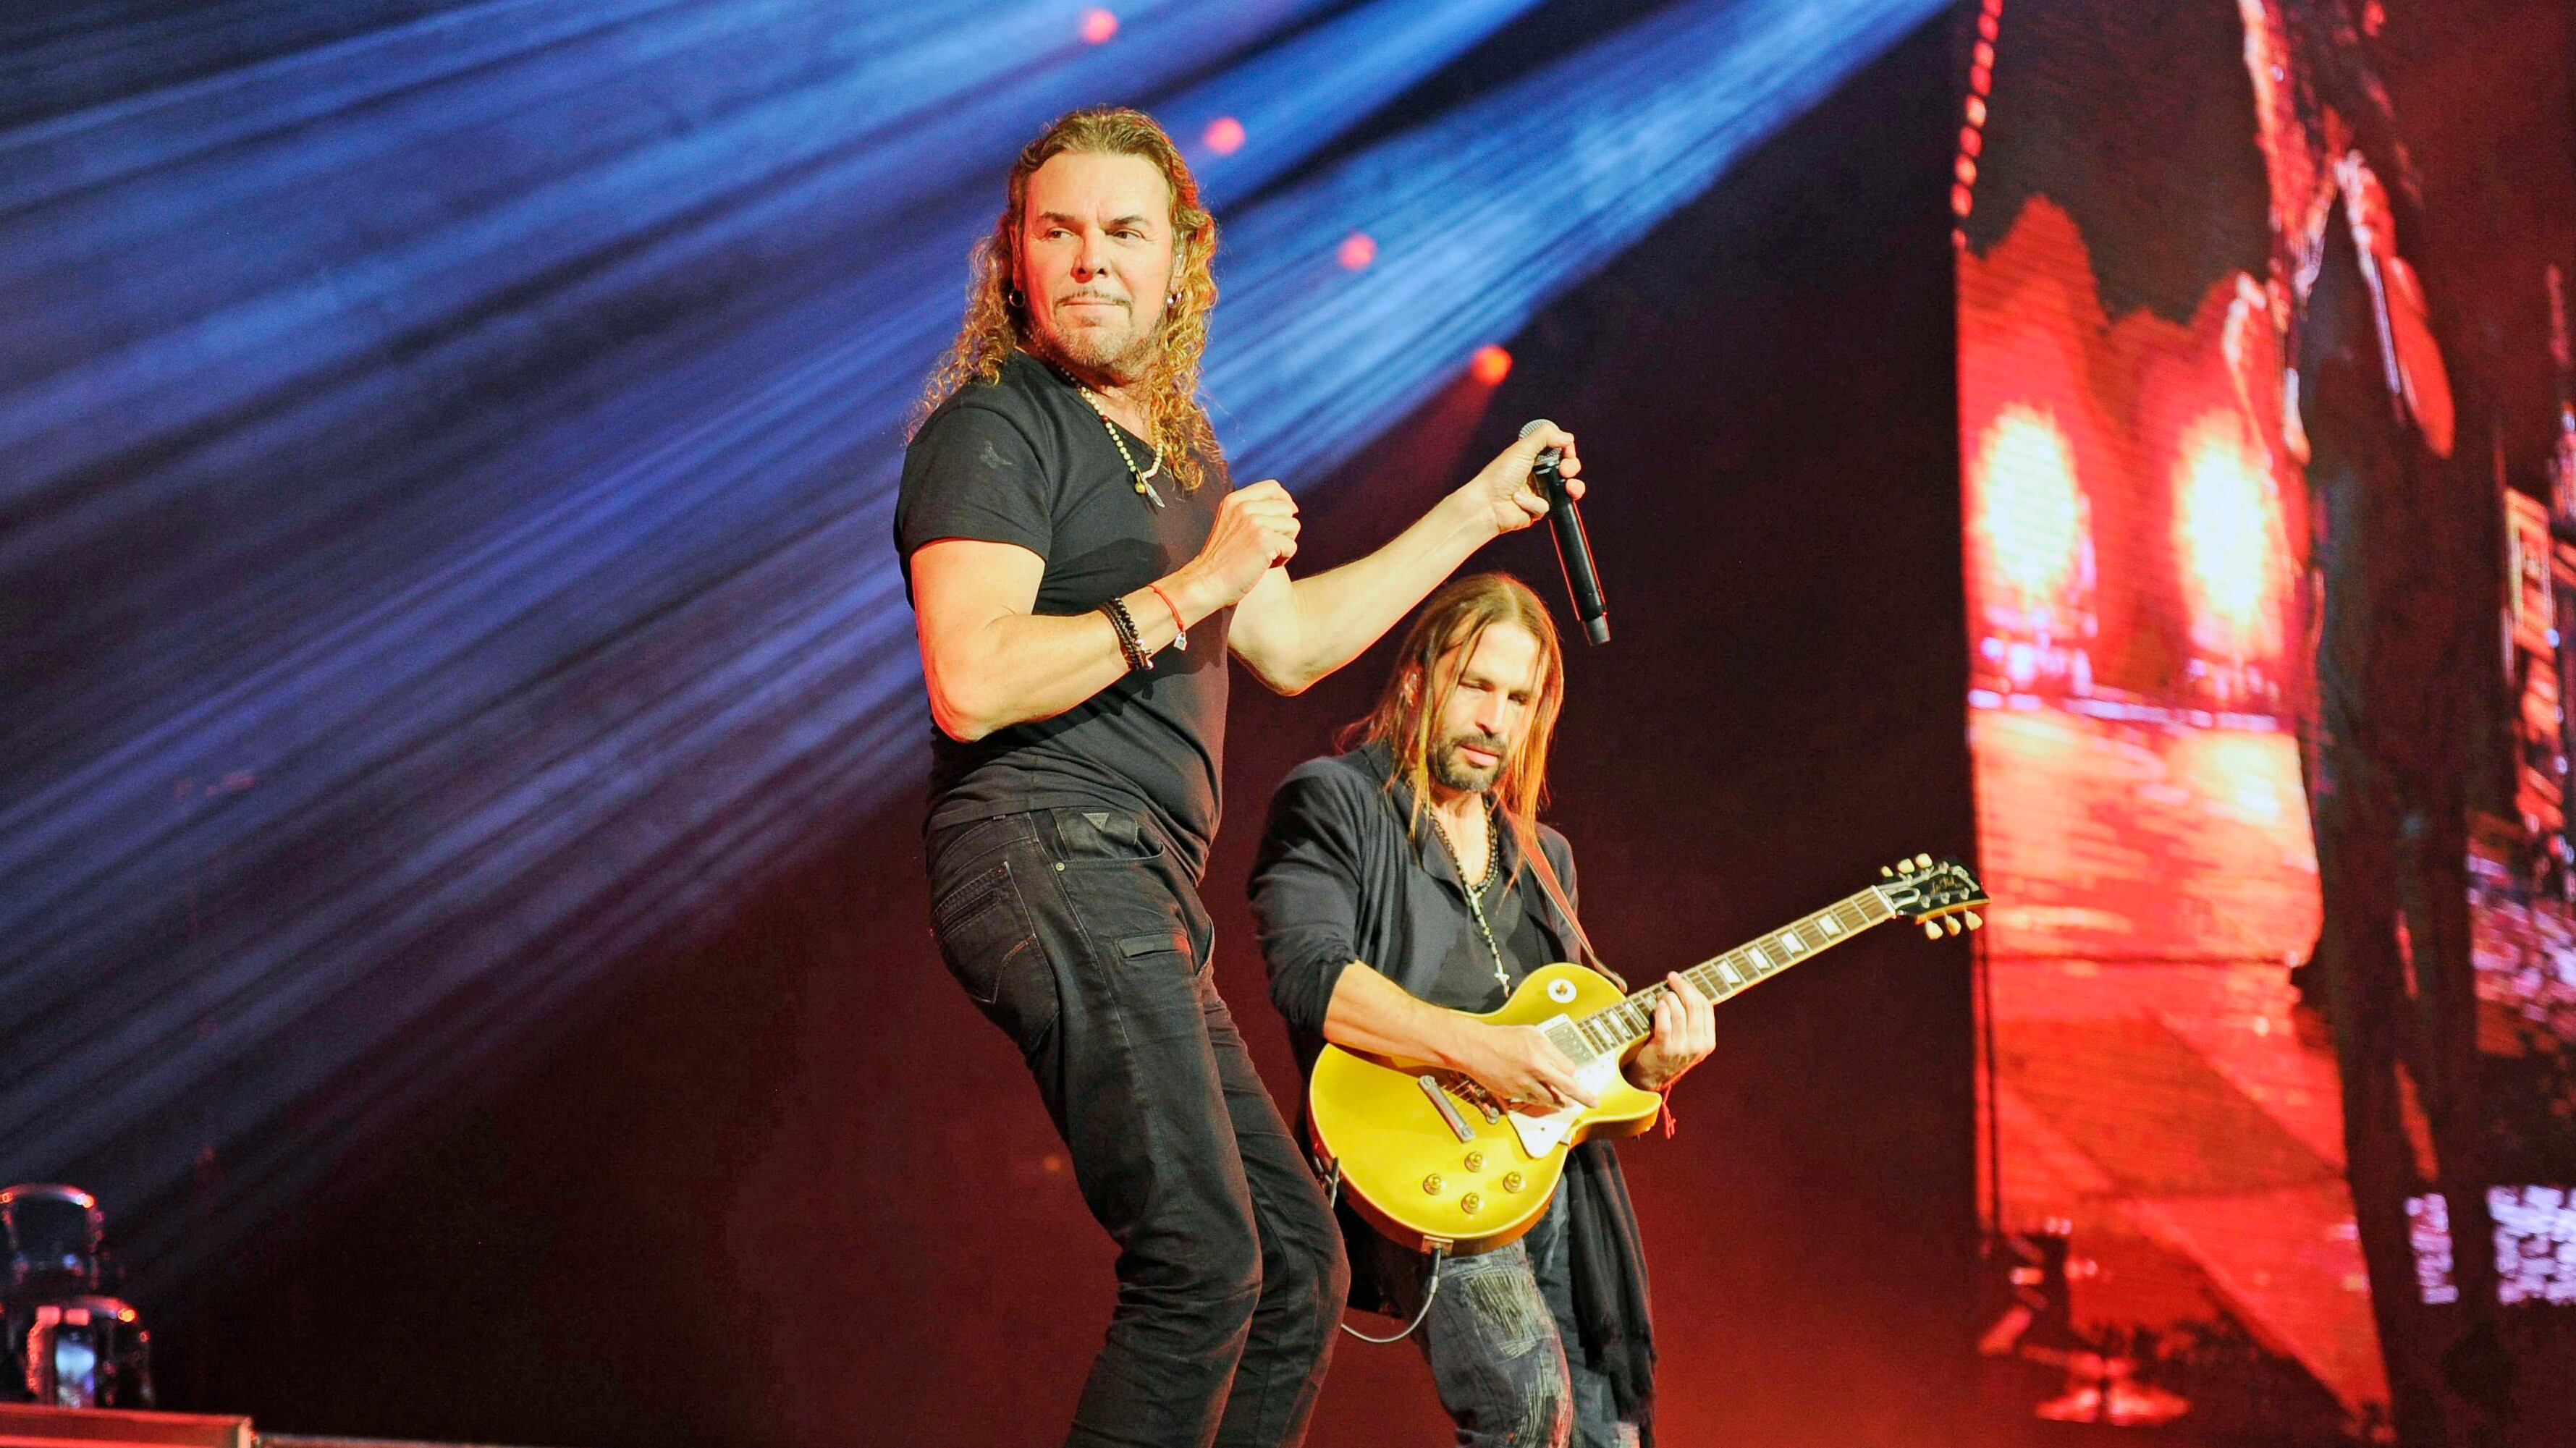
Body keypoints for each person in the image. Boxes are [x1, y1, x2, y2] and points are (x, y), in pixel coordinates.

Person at [895, 106, 1586, 1448]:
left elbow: (1289, 642)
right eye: (1057, 232)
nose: (1089, 259)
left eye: (1122, 232)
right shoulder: (993, 430)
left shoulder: (1172, 448)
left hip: (1142, 885)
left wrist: (1478, 508)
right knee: (1203, 1260)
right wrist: (1197, 581)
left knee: (1295, 1262)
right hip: (1045, 847)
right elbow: (971, 678)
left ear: (1177, 264)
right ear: (1014, 261)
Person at [1249, 573, 1713, 1448]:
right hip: (1425, 1162)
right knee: (1526, 1410)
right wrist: (1477, 1051)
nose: (1495, 720)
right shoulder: (1334, 800)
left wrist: (1647, 1073)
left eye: (1519, 699)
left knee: (1605, 1430)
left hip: (1554, 1179)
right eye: (1475, 685)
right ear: (1416, 679)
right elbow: (1310, 977)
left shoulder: (1544, 859)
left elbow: (1572, 1054)